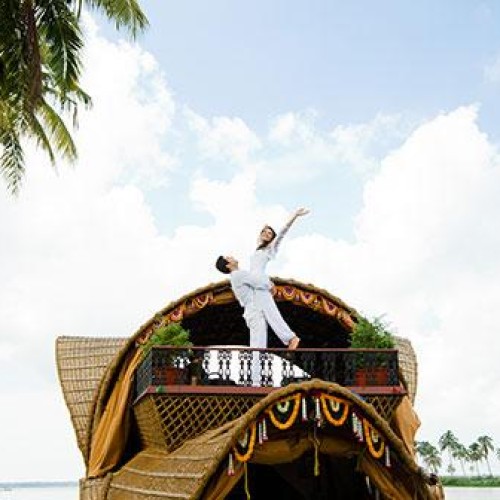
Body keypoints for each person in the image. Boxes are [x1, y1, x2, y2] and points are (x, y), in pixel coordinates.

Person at [215, 255, 298, 385]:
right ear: (228, 265)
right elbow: (257, 280)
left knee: (258, 345)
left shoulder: (236, 277)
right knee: (258, 346)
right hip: (254, 311)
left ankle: (256, 379)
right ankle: (256, 381)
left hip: (254, 309)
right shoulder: (238, 275)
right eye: (229, 258)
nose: (232, 257)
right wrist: (270, 285)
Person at [249, 207, 310, 350]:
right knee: (258, 320)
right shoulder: (257, 248)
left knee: (271, 313)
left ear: (272, 238)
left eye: (269, 233)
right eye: (264, 232)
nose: (266, 234)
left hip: (261, 286)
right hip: (255, 286)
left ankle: (291, 337)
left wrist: (294, 215)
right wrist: (263, 226)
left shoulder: (270, 249)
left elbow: (283, 232)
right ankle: (258, 350)